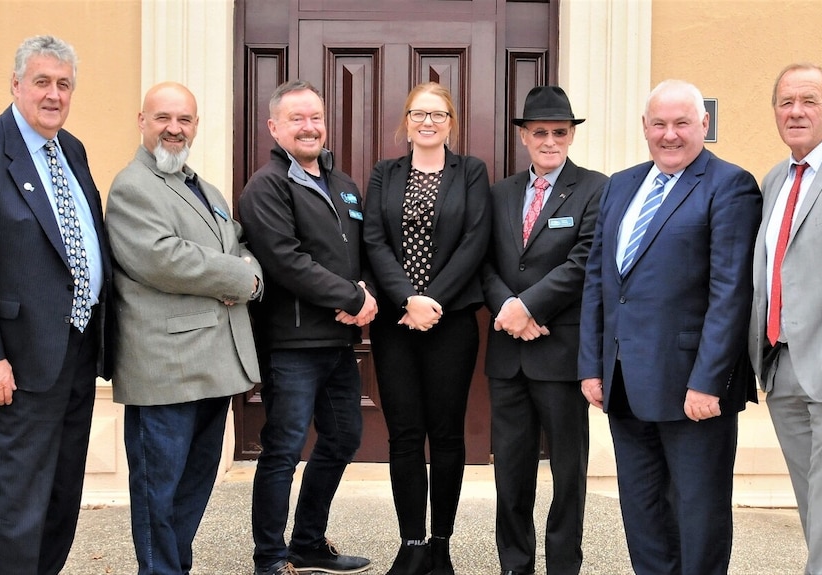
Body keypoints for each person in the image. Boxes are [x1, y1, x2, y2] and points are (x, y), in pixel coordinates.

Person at [578, 79, 761, 575]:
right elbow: (599, 280)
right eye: (659, 123)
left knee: (697, 513)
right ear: (644, 127)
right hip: (623, 383)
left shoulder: (730, 184)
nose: (670, 134)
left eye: (682, 123)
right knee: (643, 511)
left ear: (704, 125)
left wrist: (709, 382)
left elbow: (731, 292)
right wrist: (592, 366)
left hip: (691, 390)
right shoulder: (620, 184)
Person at [105, 82, 263, 575]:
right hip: (165, 368)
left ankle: (175, 569)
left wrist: (247, 273)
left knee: (193, 487)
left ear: (196, 126)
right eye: (163, 118)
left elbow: (238, 244)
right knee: (159, 493)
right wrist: (242, 276)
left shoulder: (205, 187)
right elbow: (162, 257)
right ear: (142, 121)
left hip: (214, 365)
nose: (174, 128)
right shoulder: (133, 185)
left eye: (185, 120)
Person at [0, 35, 112, 575]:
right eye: (42, 82)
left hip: (76, 352)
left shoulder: (71, 149)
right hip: (16, 361)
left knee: (62, 493)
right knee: (13, 502)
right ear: (15, 85)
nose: (54, 94)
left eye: (63, 84)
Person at [238, 79, 375, 575]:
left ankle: (308, 542)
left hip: (339, 342)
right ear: (275, 127)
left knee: (342, 439)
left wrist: (361, 292)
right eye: (296, 118)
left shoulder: (345, 187)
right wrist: (351, 296)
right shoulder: (266, 187)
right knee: (284, 447)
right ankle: (270, 557)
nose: (309, 126)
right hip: (290, 345)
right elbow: (285, 261)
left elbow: (360, 253)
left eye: (315, 117)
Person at [363, 82, 491, 575]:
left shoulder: (471, 172)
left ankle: (440, 545)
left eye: (438, 114)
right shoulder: (385, 174)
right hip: (397, 321)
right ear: (406, 121)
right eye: (419, 113)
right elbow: (374, 240)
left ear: (451, 122)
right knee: (404, 434)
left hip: (452, 320)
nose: (429, 122)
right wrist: (407, 298)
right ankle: (411, 542)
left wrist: (433, 300)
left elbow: (475, 240)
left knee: (446, 433)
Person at [481, 86, 606, 575]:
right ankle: (515, 564)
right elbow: (484, 261)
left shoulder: (597, 187)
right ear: (524, 137)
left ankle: (562, 566)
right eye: (540, 132)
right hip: (507, 356)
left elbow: (585, 261)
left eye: (559, 132)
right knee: (511, 473)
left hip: (561, 352)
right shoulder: (500, 193)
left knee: (568, 472)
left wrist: (529, 306)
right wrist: (508, 307)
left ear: (571, 135)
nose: (550, 140)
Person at [748, 63, 822, 574]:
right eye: (786, 102)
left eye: (808, 100)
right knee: (816, 509)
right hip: (783, 367)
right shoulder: (776, 178)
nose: (796, 112)